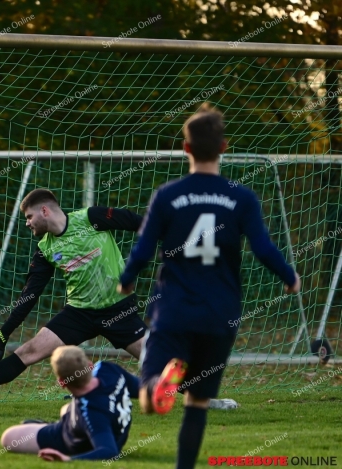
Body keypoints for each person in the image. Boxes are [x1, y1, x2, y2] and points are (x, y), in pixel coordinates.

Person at [117, 104, 300, 469]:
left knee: (147, 391)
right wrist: (289, 277)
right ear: (224, 148)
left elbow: (143, 249)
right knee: (197, 404)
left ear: (185, 148)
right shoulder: (241, 197)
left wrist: (126, 279)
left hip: (173, 309)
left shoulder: (168, 194)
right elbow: (263, 248)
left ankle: (156, 386)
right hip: (220, 314)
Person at [0, 189, 237, 411]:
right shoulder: (44, 249)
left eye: (28, 217)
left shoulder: (92, 218)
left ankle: (206, 401)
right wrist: (5, 333)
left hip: (118, 310)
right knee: (29, 351)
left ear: (44, 211)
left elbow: (139, 223)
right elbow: (31, 293)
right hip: (78, 314)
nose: (27, 223)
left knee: (159, 361)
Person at [0, 345, 137, 462]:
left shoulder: (89, 411)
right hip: (104, 427)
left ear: (62, 383)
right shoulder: (108, 369)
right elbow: (141, 389)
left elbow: (109, 451)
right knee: (66, 409)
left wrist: (69, 459)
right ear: (90, 365)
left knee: (8, 438)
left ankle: (49, 426)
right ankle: (51, 423)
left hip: (68, 437)